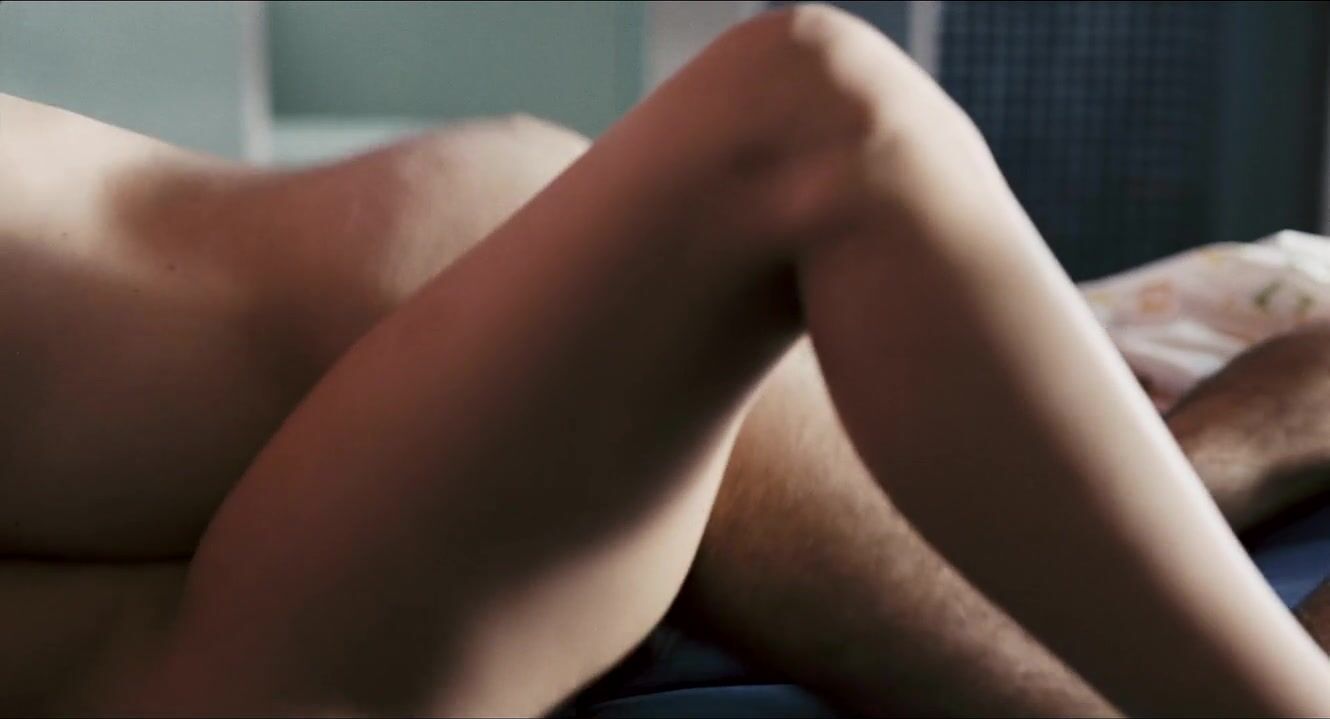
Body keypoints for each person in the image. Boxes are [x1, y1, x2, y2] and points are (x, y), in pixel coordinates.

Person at [5, 5, 1330, 715]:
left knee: (810, 147)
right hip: (301, 603)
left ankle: (1194, 500)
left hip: (379, 467)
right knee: (811, 115)